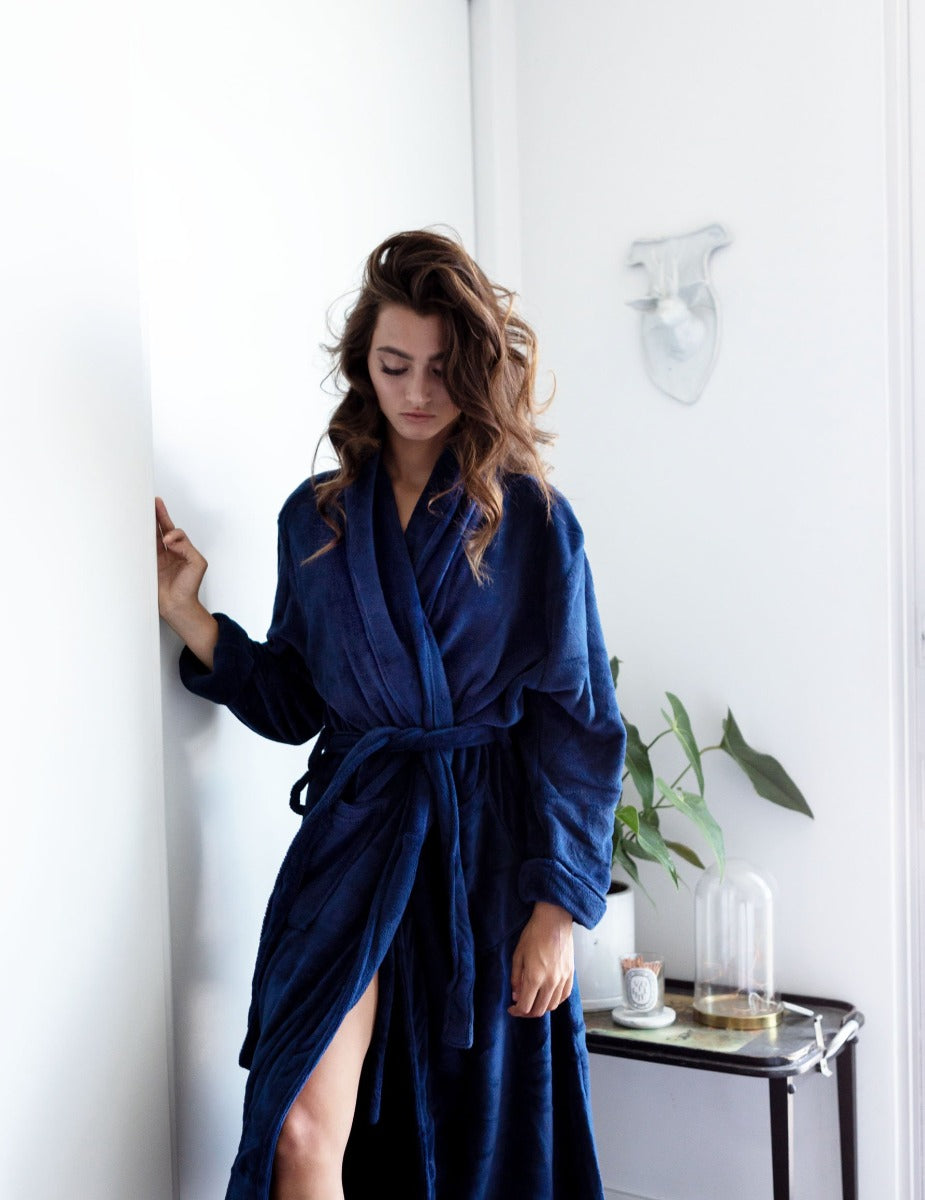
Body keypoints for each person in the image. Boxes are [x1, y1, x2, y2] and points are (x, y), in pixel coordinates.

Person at [156, 229, 626, 1200]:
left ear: (478, 368)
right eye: (393, 363)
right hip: (358, 836)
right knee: (297, 1128)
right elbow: (297, 701)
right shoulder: (317, 519)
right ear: (361, 367)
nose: (417, 391)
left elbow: (577, 725)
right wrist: (193, 619)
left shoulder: (532, 519)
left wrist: (557, 909)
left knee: (471, 1146)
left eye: (442, 367)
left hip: (484, 853)